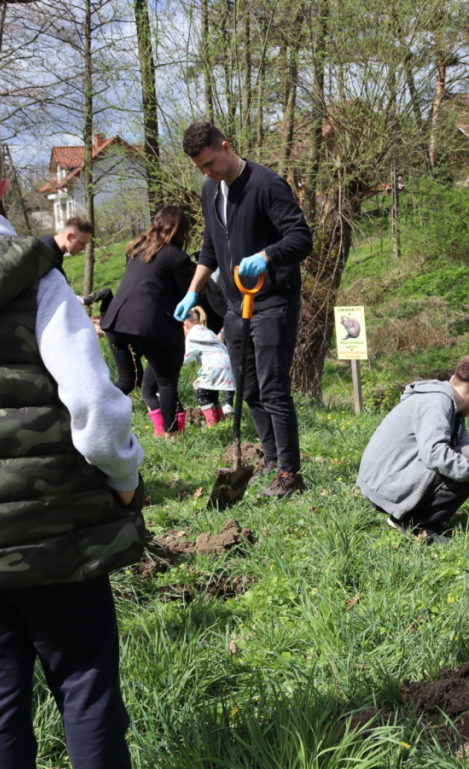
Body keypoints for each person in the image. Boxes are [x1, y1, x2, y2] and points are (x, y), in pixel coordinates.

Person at [0, 112, 144, 769]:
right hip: (57, 531)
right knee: (84, 683)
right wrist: (125, 477)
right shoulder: (38, 279)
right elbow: (93, 404)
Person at [174, 121, 312, 497]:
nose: (207, 172)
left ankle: (289, 473)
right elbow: (209, 247)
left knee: (272, 386)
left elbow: (301, 238)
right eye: (200, 168)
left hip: (272, 301)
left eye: (210, 163)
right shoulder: (209, 190)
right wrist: (193, 292)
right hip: (235, 305)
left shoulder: (266, 184)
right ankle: (269, 457)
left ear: (226, 146)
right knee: (247, 387)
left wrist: (267, 255)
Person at [357, 354, 469, 544]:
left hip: (397, 476)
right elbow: (435, 454)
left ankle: (419, 516)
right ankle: (415, 524)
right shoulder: (437, 402)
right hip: (385, 486)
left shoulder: (452, 407)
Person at [102, 205, 196, 436]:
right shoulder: (177, 257)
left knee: (127, 381)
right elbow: (190, 291)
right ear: (182, 230)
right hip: (147, 325)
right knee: (166, 381)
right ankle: (172, 435)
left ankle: (91, 413)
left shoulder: (136, 248)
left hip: (116, 321)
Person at [183, 305, 236, 426]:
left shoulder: (192, 336)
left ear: (186, 325)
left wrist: (172, 365)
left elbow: (185, 358)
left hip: (214, 367)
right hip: (227, 366)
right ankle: (220, 421)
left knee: (203, 393)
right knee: (211, 393)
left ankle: (212, 424)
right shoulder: (207, 332)